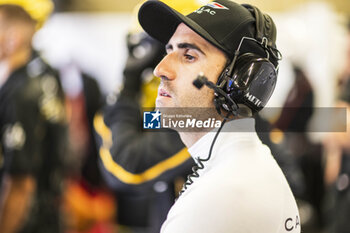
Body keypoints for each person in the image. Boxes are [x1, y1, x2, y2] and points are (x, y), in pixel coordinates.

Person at [137, 0, 301, 232]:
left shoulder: (216, 198)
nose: (160, 69)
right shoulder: (249, 166)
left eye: (189, 56)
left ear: (242, 83)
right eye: (169, 50)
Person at [93, 1, 202, 232]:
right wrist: (127, 89)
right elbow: (110, 129)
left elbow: (126, 165)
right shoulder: (157, 113)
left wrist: (128, 88)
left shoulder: (204, 115)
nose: (158, 69)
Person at [0, 2, 68, 233]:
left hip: (27, 220)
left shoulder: (19, 91)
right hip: (49, 211)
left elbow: (20, 184)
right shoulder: (45, 76)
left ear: (13, 38)